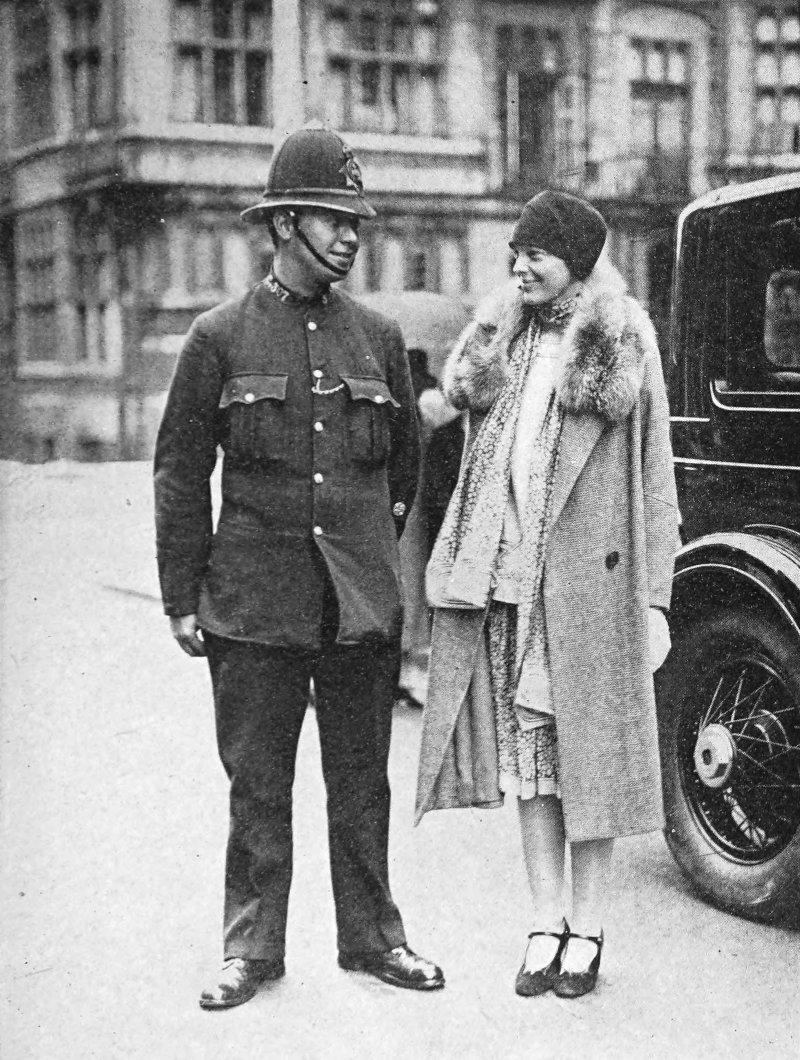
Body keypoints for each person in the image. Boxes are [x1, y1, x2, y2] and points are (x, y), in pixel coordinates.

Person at [154, 126, 444, 1010]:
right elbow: (179, 470)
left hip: (355, 606)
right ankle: (253, 949)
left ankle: (374, 939)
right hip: (252, 603)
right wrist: (182, 595)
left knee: (362, 786)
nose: (352, 234)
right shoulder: (218, 337)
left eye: (358, 219)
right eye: (332, 217)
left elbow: (403, 468)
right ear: (283, 223)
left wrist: (369, 559)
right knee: (258, 787)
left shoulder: (381, 338)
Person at [415, 190, 679, 998]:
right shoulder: (507, 340)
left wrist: (657, 596)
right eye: (515, 254)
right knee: (531, 764)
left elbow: (656, 475)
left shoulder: (621, 339)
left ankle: (588, 928)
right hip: (510, 583)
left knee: (585, 758)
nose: (520, 265)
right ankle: (544, 921)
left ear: (578, 259)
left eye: (537, 253)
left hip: (593, 586)